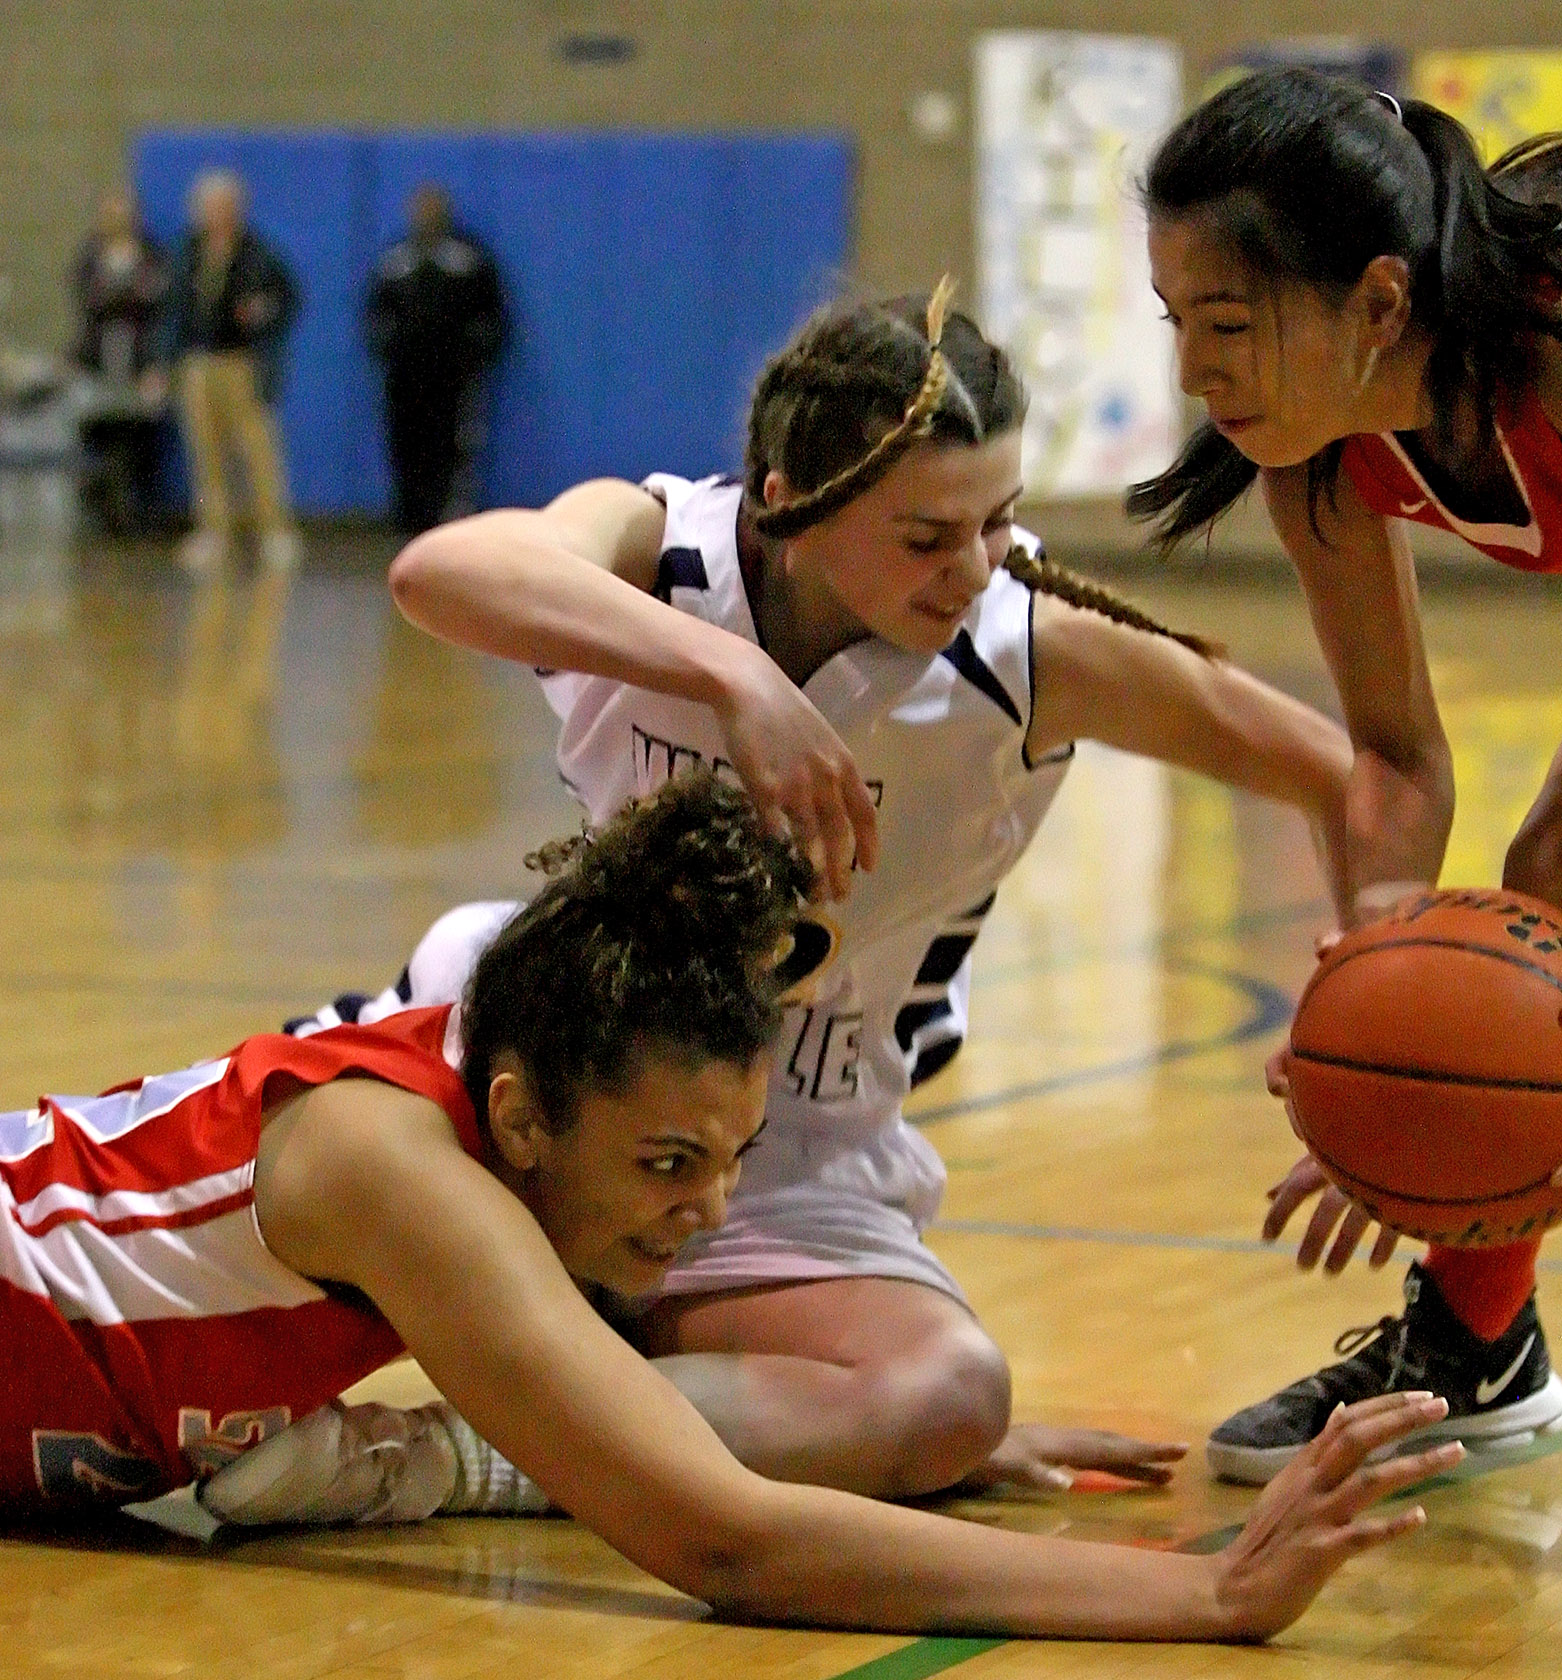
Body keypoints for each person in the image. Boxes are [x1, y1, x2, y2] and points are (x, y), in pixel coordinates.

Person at [0, 770, 1456, 1641]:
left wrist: (940, 1439)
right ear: (519, 1115)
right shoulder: (398, 1174)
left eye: (729, 1157)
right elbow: (723, 1544)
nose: (704, 1213)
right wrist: (1197, 1599)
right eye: (661, 1164)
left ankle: (376, 1461)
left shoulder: (483, 1102)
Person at [336, 280, 1365, 1507]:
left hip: (783, 1152)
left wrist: (1356, 1005)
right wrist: (733, 677)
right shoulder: (658, 550)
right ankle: (575, 1371)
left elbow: (1347, 779)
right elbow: (440, 572)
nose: (974, 571)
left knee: (945, 1401)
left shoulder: (1024, 651)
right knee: (285, 1173)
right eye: (926, 537)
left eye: (999, 523)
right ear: (783, 500)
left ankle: (458, 1450)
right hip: (548, 1088)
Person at [1128, 67, 1562, 1484]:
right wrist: (1381, 991)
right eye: (1176, 324)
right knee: (1494, 963)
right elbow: (1389, 754)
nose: (1193, 370)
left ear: (1378, 303)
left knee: (1541, 895)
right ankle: (1474, 1346)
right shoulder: (1319, 455)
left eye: (1228, 324)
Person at [164, 169, 302, 575]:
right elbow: (172, 312)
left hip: (240, 362)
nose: (216, 214)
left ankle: (274, 531)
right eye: (209, 207)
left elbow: (287, 297)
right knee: (205, 454)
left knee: (258, 450)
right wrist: (165, 360)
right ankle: (215, 533)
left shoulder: (257, 252)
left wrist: (264, 313)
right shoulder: (186, 252)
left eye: (224, 206)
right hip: (197, 363)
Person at [365, 184, 508, 535]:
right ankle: (409, 516)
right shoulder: (395, 259)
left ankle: (449, 518)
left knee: (453, 447)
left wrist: (475, 354)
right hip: (405, 374)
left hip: (452, 375)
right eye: (420, 209)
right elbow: (375, 312)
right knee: (406, 444)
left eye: (433, 209)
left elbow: (493, 313)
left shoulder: (468, 258)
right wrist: (387, 347)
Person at [69, 192, 170, 535]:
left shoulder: (151, 254)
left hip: (138, 357)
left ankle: (133, 512)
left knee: (139, 435)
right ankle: (100, 510)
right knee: (98, 432)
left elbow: (156, 301)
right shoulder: (90, 256)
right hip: (99, 356)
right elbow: (88, 300)